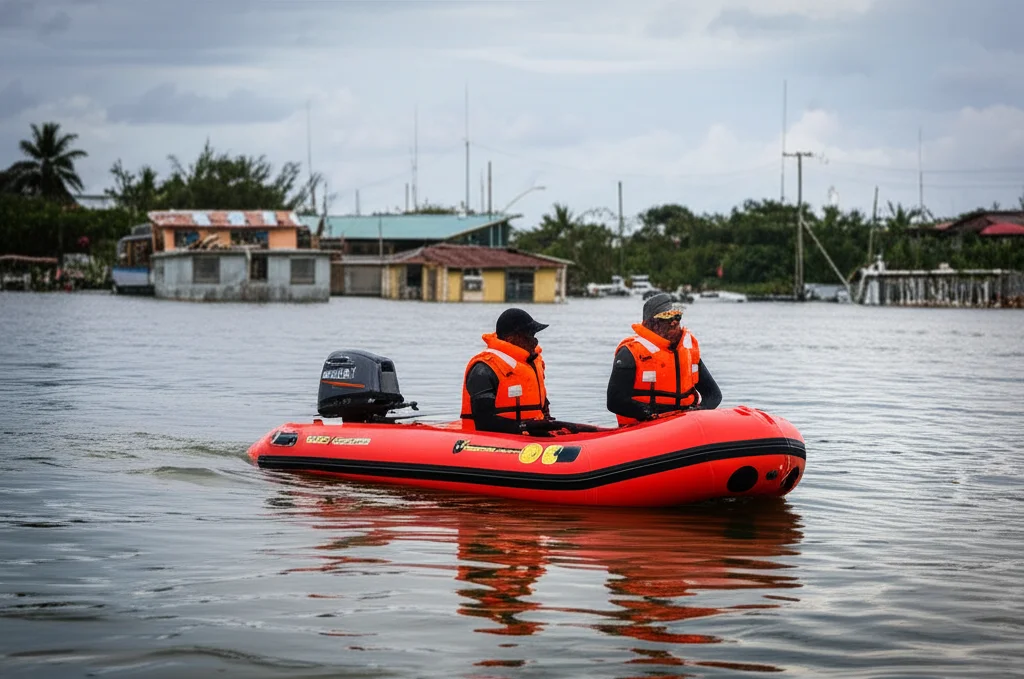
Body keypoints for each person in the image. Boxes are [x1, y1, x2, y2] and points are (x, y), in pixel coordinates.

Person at [461, 308, 598, 436]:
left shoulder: (530, 365)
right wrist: (526, 426)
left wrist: (549, 424)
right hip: (489, 441)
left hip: (529, 436)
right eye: (529, 335)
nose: (535, 341)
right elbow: (484, 423)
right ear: (511, 339)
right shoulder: (484, 370)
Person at [606, 292, 722, 426]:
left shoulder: (688, 351)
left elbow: (713, 395)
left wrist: (697, 413)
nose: (674, 322)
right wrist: (653, 414)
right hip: (641, 428)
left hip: (685, 426)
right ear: (652, 324)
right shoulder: (630, 353)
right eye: (666, 317)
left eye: (677, 316)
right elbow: (615, 401)